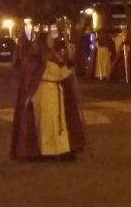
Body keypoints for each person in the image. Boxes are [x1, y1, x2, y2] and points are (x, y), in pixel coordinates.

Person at [11, 33, 86, 162]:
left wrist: (69, 65)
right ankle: (47, 151)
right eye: (49, 38)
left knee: (58, 122)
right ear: (44, 41)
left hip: (55, 92)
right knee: (47, 123)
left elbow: (62, 72)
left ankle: (61, 150)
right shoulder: (36, 58)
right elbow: (31, 75)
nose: (52, 40)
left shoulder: (55, 54)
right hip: (43, 93)